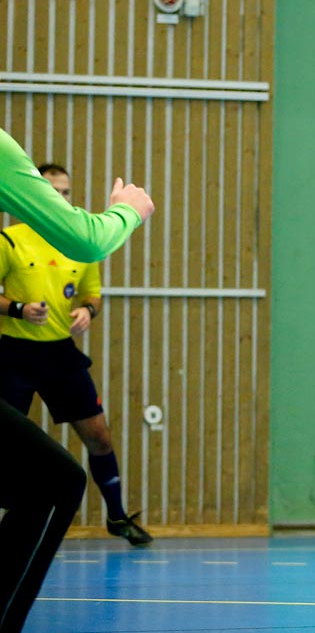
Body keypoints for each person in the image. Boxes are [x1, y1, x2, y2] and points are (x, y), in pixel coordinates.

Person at [0, 131, 153, 633]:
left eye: (66, 193)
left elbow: (91, 290)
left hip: (59, 352)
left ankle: (116, 514)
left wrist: (86, 309)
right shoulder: (11, 239)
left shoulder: (75, 256)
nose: (60, 198)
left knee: (94, 438)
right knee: (51, 478)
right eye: (53, 192)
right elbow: (89, 234)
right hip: (13, 351)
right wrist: (128, 209)